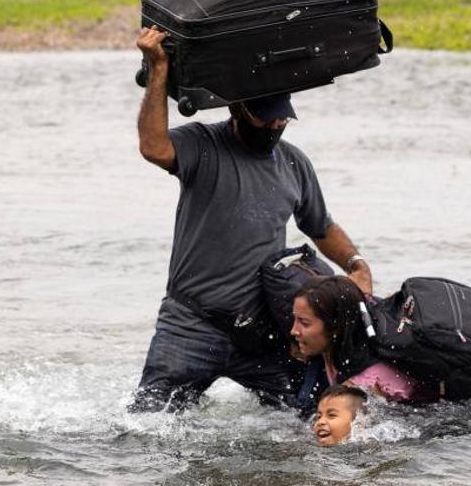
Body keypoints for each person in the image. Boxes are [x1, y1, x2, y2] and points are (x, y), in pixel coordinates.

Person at [129, 25, 373, 412]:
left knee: (307, 418)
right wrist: (158, 70)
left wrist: (356, 265)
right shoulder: (203, 145)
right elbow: (153, 147)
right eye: (265, 117)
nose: (275, 125)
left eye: (281, 118)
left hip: (262, 330)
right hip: (190, 323)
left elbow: (320, 226)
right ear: (237, 108)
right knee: (146, 424)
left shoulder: (294, 162)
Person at [291, 276, 440, 405]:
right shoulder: (355, 327)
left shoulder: (362, 386)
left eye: (304, 323)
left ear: (336, 326)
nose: (294, 331)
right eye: (295, 319)